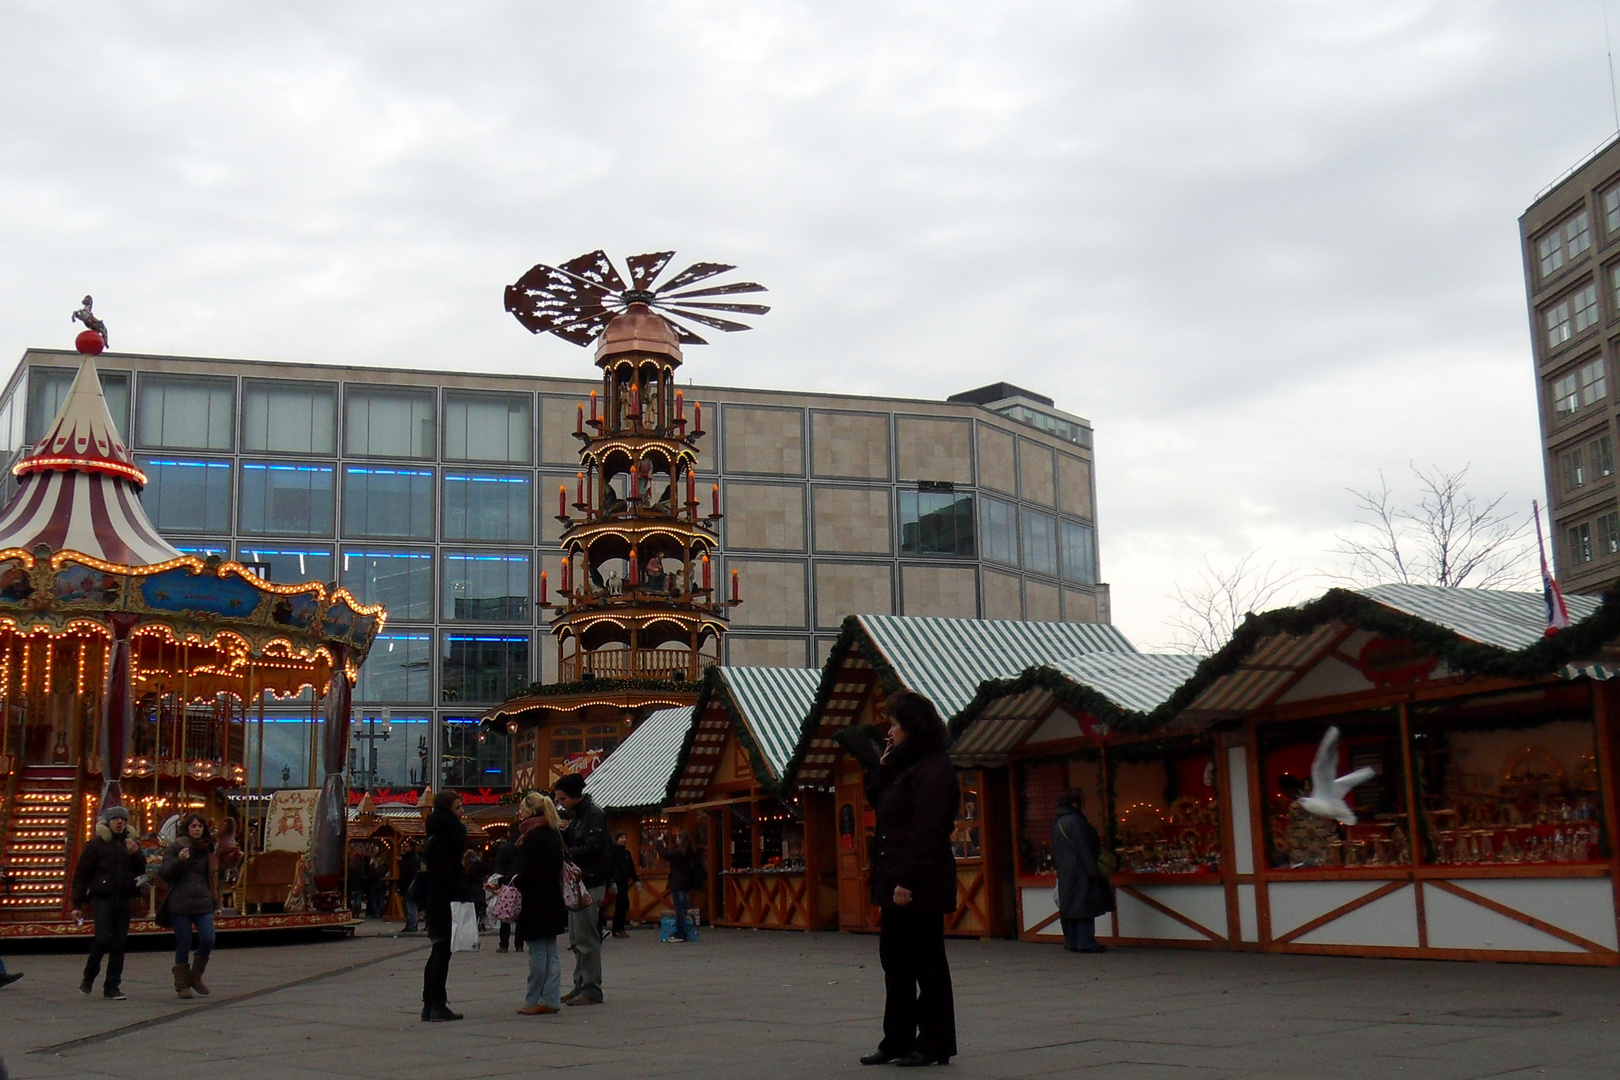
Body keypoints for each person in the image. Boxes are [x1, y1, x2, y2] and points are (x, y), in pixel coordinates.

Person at [859, 691, 959, 1068]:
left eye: (896, 724)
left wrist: (908, 880)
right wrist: (884, 766)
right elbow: (877, 801)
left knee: (927, 964)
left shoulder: (934, 768)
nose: (890, 730)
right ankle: (897, 1038)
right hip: (893, 878)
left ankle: (934, 1042)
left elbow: (927, 829)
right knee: (895, 961)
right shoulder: (905, 766)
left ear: (913, 728)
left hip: (920, 883)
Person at [72, 805, 147, 1000]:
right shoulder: (96, 846)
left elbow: (141, 871)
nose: (119, 822)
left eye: (122, 819)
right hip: (103, 897)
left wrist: (136, 854)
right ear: (108, 822)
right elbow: (81, 875)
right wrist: (77, 904)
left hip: (124, 896)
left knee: (119, 943)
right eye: (115, 819)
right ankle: (89, 976)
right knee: (103, 938)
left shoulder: (130, 844)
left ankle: (112, 985)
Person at [553, 772, 612, 1005]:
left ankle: (591, 987)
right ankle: (580, 984)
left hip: (590, 881)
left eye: (563, 799)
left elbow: (593, 847)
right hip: (580, 883)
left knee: (586, 937)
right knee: (577, 938)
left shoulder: (594, 815)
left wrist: (567, 856)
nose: (560, 803)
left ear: (575, 796)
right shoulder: (579, 816)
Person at [511, 792, 569, 1015]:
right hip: (552, 897)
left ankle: (535, 998)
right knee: (551, 951)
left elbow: (531, 872)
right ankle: (550, 998)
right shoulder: (553, 832)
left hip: (536, 899)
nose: (520, 815)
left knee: (537, 952)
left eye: (522, 811)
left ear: (531, 812)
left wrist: (514, 880)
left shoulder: (533, 836)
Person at [159, 813, 220, 999]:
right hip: (181, 902)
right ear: (187, 828)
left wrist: (215, 902)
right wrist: (179, 861)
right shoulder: (176, 848)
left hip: (202, 900)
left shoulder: (207, 848)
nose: (197, 829)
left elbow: (211, 878)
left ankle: (195, 975)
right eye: (193, 826)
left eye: (200, 826)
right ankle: (182, 984)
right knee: (183, 943)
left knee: (208, 938)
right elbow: (164, 873)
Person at [421, 791, 468, 1021]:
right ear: (447, 811)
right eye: (457, 808)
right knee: (441, 951)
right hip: (443, 900)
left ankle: (430, 1003)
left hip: (437, 898)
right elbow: (445, 874)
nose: (462, 812)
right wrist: (465, 887)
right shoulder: (446, 838)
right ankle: (436, 1004)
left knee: (438, 951)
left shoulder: (436, 835)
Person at [1053, 789, 1113, 954]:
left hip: (1067, 871)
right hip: (1081, 871)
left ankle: (1072, 941)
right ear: (1075, 803)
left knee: (1071, 908)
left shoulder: (1059, 821)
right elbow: (1085, 847)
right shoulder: (1076, 821)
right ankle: (1086, 942)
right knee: (1084, 907)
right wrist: (1094, 870)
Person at [493, 806, 529, 953]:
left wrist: (497, 881)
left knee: (505, 913)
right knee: (521, 914)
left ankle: (503, 944)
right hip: (523, 882)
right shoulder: (526, 846)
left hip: (508, 882)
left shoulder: (504, 848)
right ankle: (519, 944)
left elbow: (499, 867)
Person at [652, 830, 697, 942]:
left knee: (679, 909)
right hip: (687, 882)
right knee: (686, 908)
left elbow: (665, 854)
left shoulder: (678, 852)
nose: (676, 839)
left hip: (677, 882)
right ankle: (689, 932)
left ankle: (680, 934)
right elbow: (669, 852)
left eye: (677, 838)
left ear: (681, 840)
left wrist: (658, 843)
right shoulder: (689, 851)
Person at [600, 832, 640, 939]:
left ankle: (620, 928)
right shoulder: (612, 852)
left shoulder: (626, 853)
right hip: (616, 881)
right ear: (617, 839)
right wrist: (612, 880)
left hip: (624, 881)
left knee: (624, 904)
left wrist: (636, 879)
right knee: (620, 903)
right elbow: (610, 867)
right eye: (621, 837)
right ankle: (617, 929)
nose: (624, 839)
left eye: (625, 837)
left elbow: (631, 867)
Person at [398, 841, 423, 933]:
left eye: (407, 846)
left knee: (410, 905)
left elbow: (409, 870)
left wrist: (401, 862)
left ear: (411, 847)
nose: (405, 848)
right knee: (408, 906)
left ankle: (412, 925)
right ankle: (410, 924)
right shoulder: (411, 858)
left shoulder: (413, 859)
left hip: (410, 883)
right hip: (408, 883)